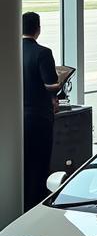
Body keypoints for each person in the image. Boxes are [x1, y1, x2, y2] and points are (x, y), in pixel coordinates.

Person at [22, 12, 60, 211]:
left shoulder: (11, 50)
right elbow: (51, 84)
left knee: (22, 163)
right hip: (38, 117)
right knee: (39, 162)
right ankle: (36, 206)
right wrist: (59, 83)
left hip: (15, 116)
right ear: (38, 28)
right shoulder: (42, 52)